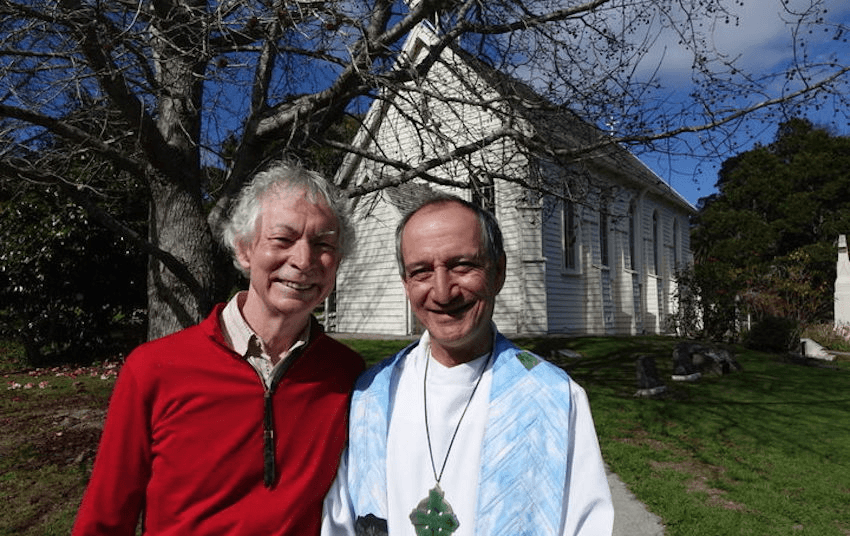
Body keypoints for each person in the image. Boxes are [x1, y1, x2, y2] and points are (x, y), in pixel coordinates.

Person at [73, 162, 365, 536]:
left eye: (323, 244)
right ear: (244, 250)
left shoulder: (348, 376)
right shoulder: (153, 369)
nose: (303, 260)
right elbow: (104, 519)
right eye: (283, 239)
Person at [322, 194, 613, 536]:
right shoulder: (370, 396)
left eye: (462, 265)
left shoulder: (555, 397)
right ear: (406, 284)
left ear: (498, 272)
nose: (443, 292)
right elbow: (340, 524)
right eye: (421, 272)